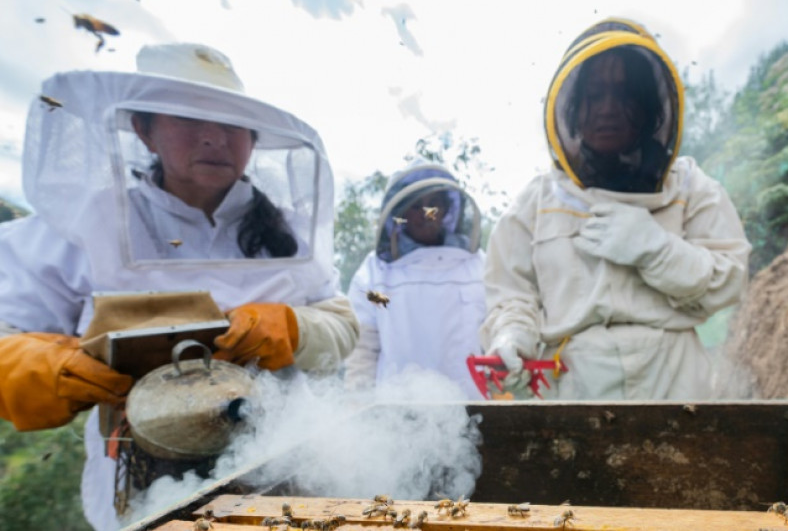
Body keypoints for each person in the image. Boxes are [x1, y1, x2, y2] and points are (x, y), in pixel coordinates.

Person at [0, 43, 358, 529]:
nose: (213, 138)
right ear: (144, 131)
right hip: (144, 485)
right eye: (188, 121)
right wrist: (39, 367)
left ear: (253, 139)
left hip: (285, 467)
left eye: (232, 125)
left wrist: (295, 328)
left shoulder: (291, 231)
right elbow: (8, 334)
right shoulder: (83, 227)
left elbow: (342, 324)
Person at [480, 18, 751, 400]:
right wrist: (513, 336)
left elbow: (729, 280)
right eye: (593, 94)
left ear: (650, 107)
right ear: (572, 107)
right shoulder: (536, 202)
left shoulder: (691, 186)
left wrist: (657, 250)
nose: (607, 109)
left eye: (625, 94)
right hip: (574, 386)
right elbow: (512, 296)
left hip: (675, 384)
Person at [344, 163, 486, 400]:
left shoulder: (477, 265)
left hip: (474, 410)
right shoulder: (376, 272)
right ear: (401, 212)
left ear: (447, 209)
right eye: (416, 205)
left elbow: (496, 335)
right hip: (395, 416)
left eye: (435, 204)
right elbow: (362, 351)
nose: (426, 213)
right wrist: (358, 405)